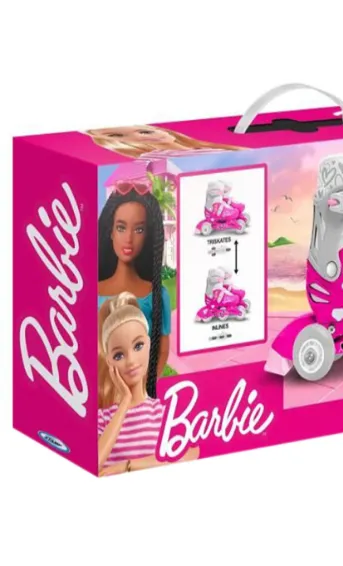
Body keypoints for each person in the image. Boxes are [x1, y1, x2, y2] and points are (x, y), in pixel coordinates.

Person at [98, 292, 198, 476]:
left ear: (149, 344)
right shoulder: (103, 419)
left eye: (138, 346)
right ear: (109, 362)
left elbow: (192, 452)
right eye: (119, 355)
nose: (131, 361)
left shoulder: (163, 411)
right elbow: (94, 463)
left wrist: (126, 466)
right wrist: (124, 402)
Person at [98, 181, 170, 395]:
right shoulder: (92, 292)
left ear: (147, 235)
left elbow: (162, 349)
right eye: (121, 228)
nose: (128, 239)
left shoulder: (156, 295)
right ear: (111, 232)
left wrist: (144, 390)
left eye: (139, 229)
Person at [86, 124, 241, 159]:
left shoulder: (206, 147)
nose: (141, 137)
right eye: (118, 137)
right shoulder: (156, 158)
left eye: (145, 131)